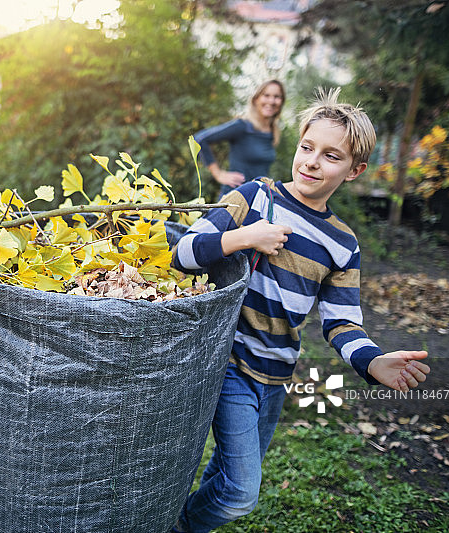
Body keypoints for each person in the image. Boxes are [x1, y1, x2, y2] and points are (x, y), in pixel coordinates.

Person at [171, 88, 430, 533]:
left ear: (355, 170)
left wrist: (372, 360)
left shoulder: (343, 244)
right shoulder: (256, 198)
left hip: (275, 376)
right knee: (239, 492)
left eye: (332, 156)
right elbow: (182, 252)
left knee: (223, 473)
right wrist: (245, 237)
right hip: (229, 363)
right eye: (307, 147)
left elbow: (341, 321)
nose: (312, 161)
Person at [194, 80, 285, 199]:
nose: (271, 101)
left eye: (277, 97)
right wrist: (218, 174)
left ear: (282, 102)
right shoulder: (242, 126)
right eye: (266, 95)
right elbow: (200, 139)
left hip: (256, 200)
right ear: (256, 99)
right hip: (233, 199)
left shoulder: (272, 132)